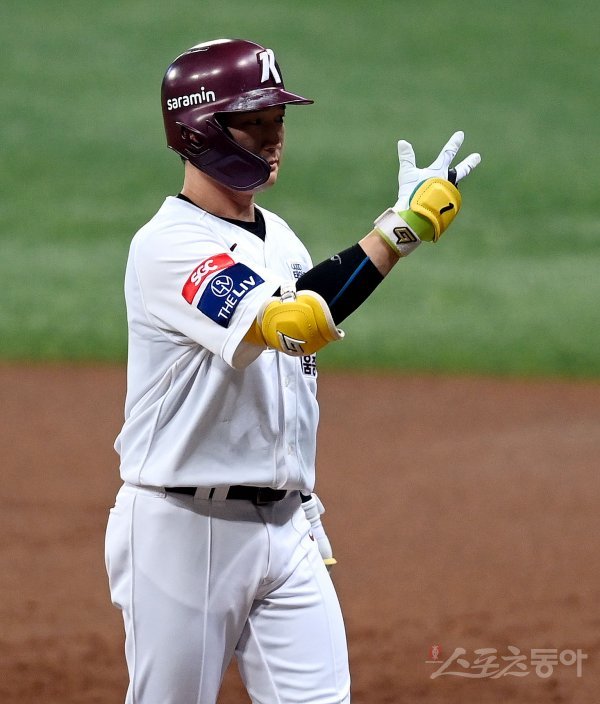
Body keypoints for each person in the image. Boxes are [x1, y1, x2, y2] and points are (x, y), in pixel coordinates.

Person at [104, 38, 481, 704]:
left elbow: (290, 382)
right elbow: (295, 324)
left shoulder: (279, 238)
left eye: (278, 119)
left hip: (286, 531)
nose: (275, 137)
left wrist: (299, 502)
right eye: (254, 121)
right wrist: (402, 228)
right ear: (199, 128)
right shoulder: (167, 245)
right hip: (186, 531)